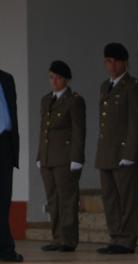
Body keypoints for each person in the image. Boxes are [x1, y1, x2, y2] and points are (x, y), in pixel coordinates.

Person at [96, 43, 138, 254]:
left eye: (116, 61)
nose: (112, 65)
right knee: (110, 197)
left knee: (126, 197)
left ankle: (127, 239)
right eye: (108, 61)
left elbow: (136, 122)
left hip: (123, 152)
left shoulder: (133, 87)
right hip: (107, 151)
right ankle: (115, 236)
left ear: (124, 62)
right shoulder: (105, 86)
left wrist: (130, 153)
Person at [36, 60, 86, 252]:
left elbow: (78, 131)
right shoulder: (46, 100)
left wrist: (76, 157)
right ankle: (57, 237)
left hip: (65, 158)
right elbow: (43, 130)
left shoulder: (74, 100)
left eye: (58, 78)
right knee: (53, 200)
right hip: (48, 157)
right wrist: (40, 155)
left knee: (67, 200)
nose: (54, 81)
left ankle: (68, 239)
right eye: (51, 77)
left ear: (66, 79)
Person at [0, 68, 21, 262]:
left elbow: (12, 112)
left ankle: (5, 248)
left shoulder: (7, 78)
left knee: (4, 198)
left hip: (5, 143)